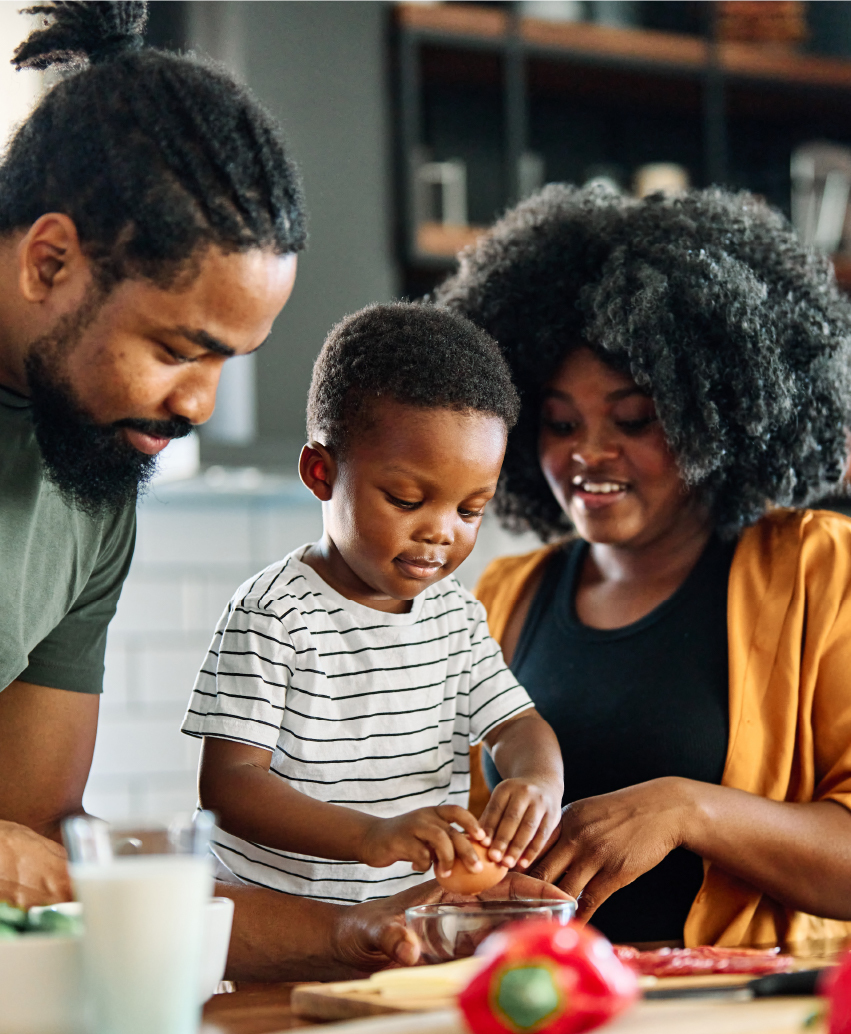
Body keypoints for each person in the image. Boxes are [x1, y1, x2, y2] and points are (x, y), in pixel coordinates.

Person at [0, 0, 516, 979]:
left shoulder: (94, 475)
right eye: (175, 349)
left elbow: (36, 843)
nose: (199, 402)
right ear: (50, 260)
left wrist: (352, 935)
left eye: (228, 359)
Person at [437, 183, 851, 953]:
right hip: (535, 1013)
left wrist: (687, 809)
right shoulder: (500, 598)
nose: (586, 454)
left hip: (739, 1032)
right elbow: (451, 849)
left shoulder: (816, 570)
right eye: (559, 423)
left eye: (632, 420)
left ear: (713, 415)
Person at [183, 304, 564, 903]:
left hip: (411, 922)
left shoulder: (454, 616)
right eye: (407, 499)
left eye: (470, 509)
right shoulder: (274, 615)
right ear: (320, 472)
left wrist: (538, 780)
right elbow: (230, 789)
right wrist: (371, 836)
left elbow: (515, 725)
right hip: (285, 933)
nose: (442, 533)